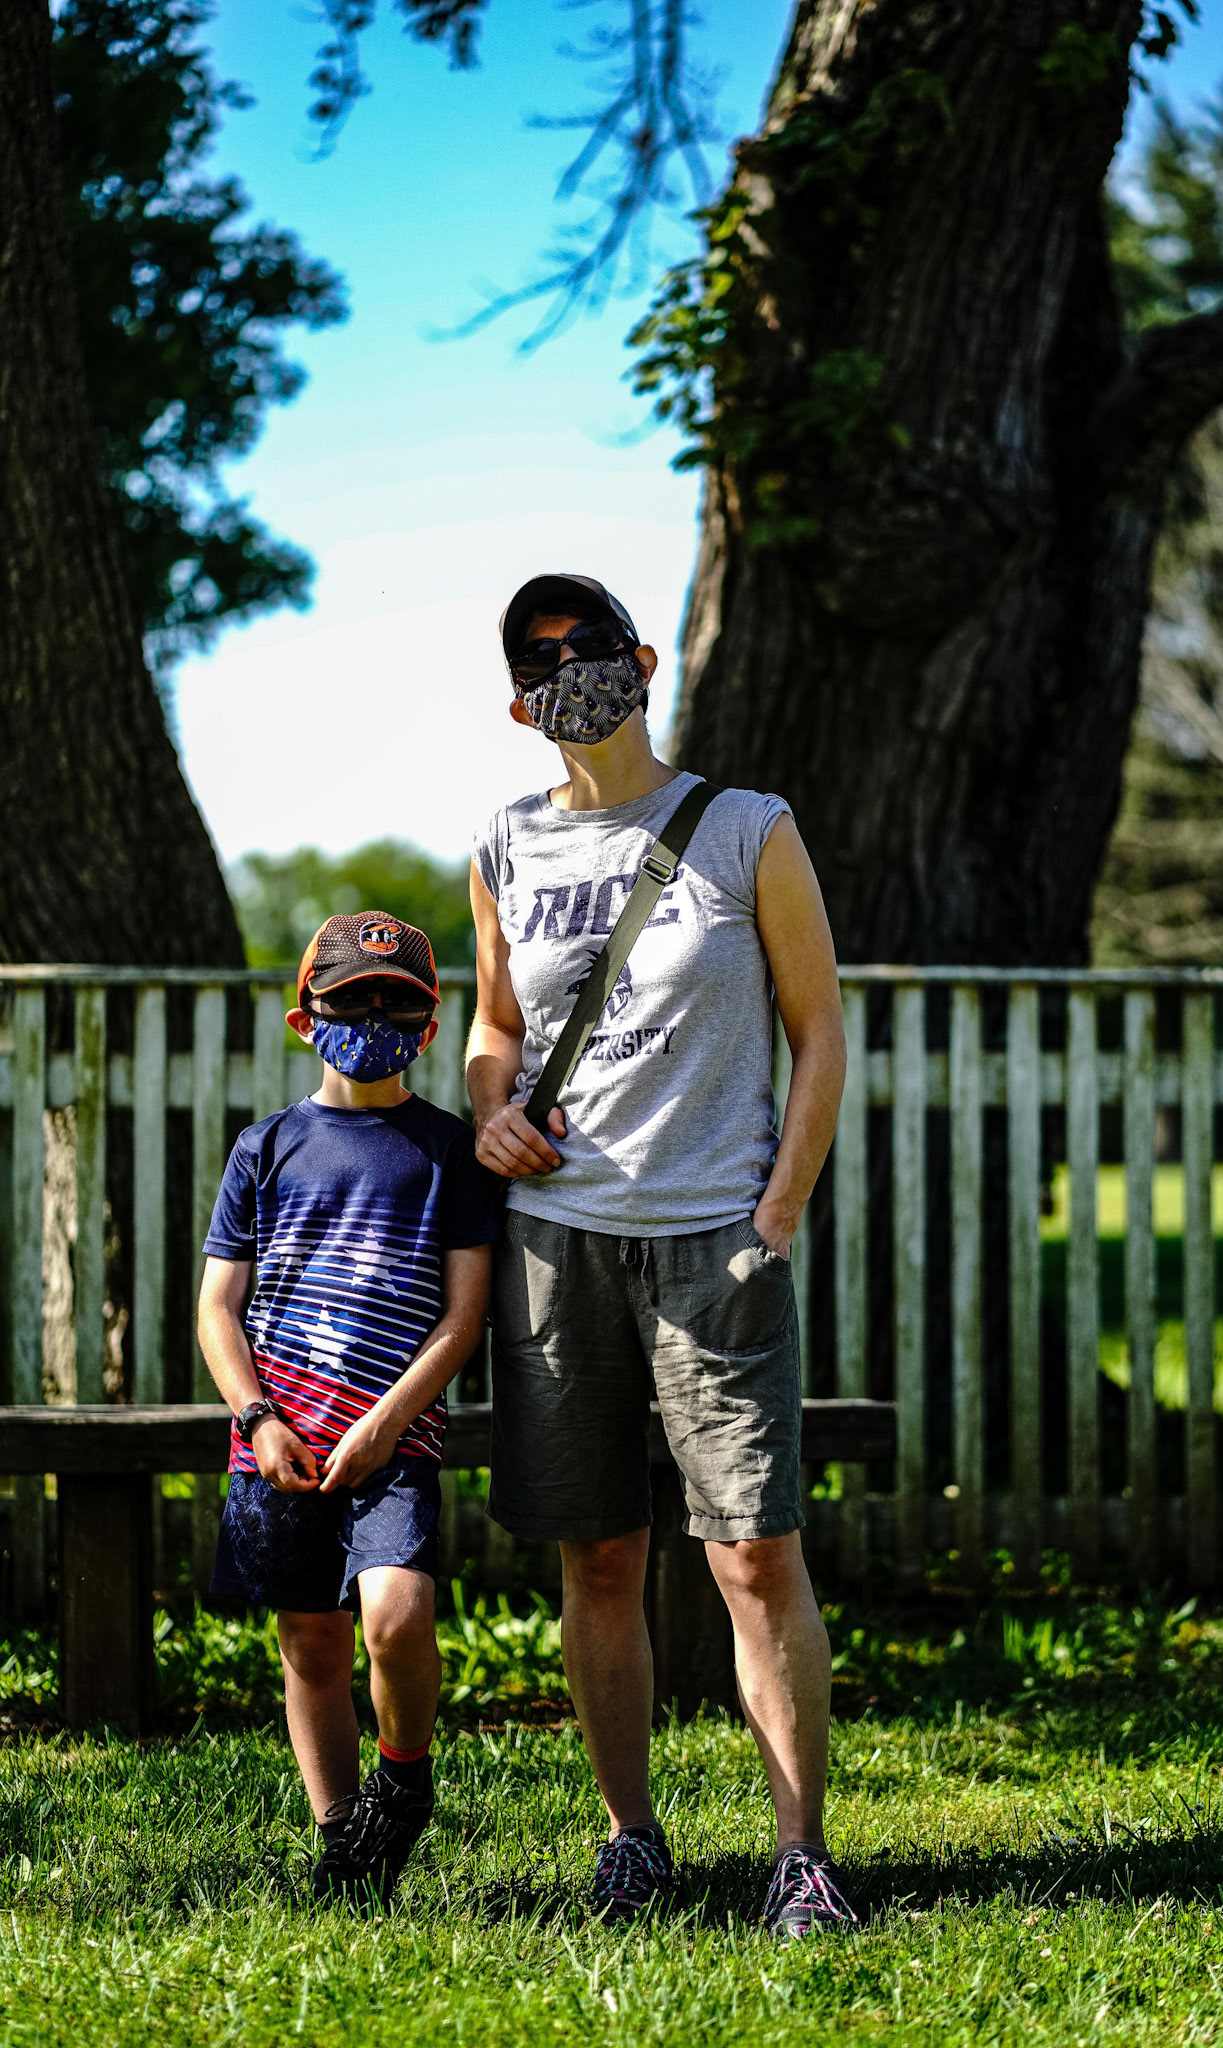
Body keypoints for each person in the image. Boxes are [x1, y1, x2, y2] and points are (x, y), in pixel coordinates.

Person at [467, 572, 855, 1937]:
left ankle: (799, 1852)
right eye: (543, 658)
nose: (573, 670)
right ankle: (631, 1836)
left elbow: (820, 1036)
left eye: (592, 645)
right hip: (557, 1245)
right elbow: (495, 1029)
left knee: (753, 1556)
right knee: (601, 1560)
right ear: (519, 701)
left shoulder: (749, 828)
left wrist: (779, 1212)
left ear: (642, 659)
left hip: (715, 1240)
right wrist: (491, 1109)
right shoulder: (506, 842)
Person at [197, 913, 501, 1906]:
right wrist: (257, 1418)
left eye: (396, 1000)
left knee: (395, 1612)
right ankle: (343, 1840)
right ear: (303, 1016)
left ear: (428, 1019)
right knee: (311, 1643)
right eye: (349, 999)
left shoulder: (448, 1151)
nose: (372, 1015)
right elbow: (218, 1306)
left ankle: (403, 1779)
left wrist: (383, 1422)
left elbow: (462, 1317)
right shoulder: (267, 1146)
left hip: (393, 1440)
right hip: (277, 1444)